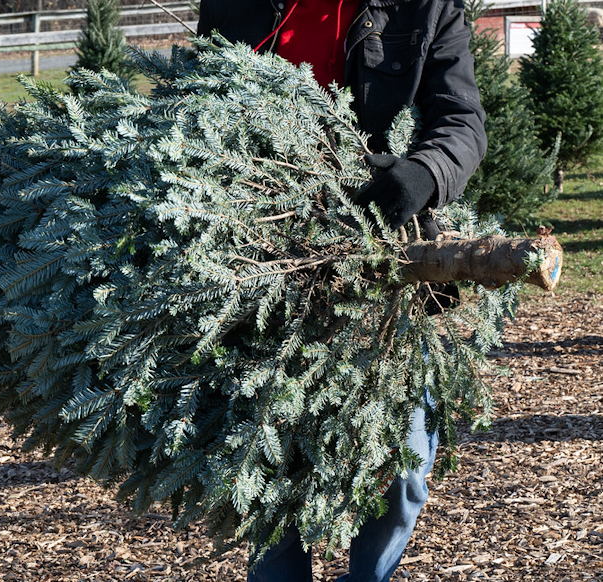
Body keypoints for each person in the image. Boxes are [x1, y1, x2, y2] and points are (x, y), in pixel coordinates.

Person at [196, 1, 487, 581]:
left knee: (398, 470)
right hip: (258, 257)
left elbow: (462, 119)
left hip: (389, 256)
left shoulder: (426, 7)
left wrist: (423, 174)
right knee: (267, 470)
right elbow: (199, 102)